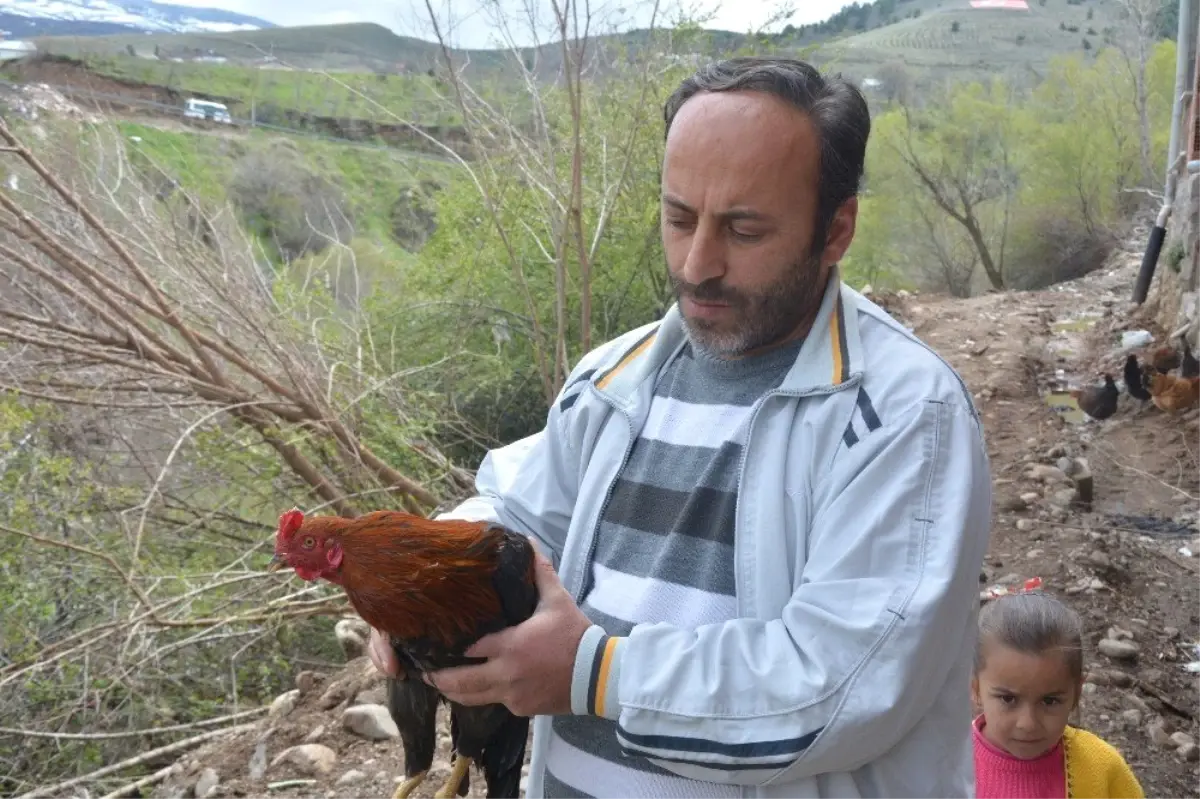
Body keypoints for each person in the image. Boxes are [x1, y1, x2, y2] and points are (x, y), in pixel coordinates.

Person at [368, 56, 993, 797]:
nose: (698, 264)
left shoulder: (903, 413)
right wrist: (423, 577)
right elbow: (520, 516)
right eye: (678, 218)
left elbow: (839, 686)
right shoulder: (609, 380)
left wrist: (595, 673)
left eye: (744, 228)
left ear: (836, 230)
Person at [973, 591, 1145, 799]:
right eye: (1008, 699)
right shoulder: (944, 765)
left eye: (1049, 701)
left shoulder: (1102, 768)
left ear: (1076, 694)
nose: (1028, 724)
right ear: (976, 689)